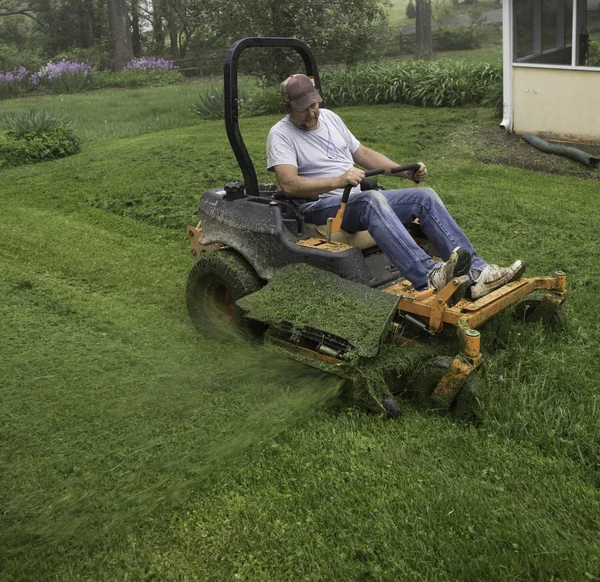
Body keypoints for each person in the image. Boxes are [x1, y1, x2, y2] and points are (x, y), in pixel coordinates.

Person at [266, 74, 525, 298]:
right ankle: (429, 275)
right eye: (304, 109)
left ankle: (477, 273)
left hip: (352, 201)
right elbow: (289, 185)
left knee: (424, 197)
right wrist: (338, 180)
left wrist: (404, 171)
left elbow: (363, 153)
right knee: (371, 200)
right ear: (288, 107)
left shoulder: (331, 119)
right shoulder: (280, 135)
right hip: (319, 207)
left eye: (315, 105)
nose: (312, 112)